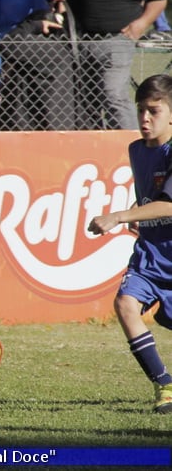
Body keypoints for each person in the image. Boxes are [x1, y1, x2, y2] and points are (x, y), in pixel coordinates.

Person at [87, 74, 172, 415]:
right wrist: (141, 217)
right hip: (150, 257)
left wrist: (120, 216)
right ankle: (164, 383)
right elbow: (155, 199)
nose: (145, 118)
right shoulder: (136, 149)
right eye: (140, 110)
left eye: (153, 110)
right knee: (125, 304)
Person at [66, 0, 166, 130]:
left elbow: (158, 0)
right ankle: (94, 143)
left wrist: (141, 24)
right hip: (81, 40)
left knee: (113, 94)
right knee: (85, 98)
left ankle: (131, 141)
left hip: (117, 39)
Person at [0, 0, 76, 131]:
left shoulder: (50, 50)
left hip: (32, 126)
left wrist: (34, 25)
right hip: (55, 124)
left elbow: (7, 45)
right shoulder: (67, 50)